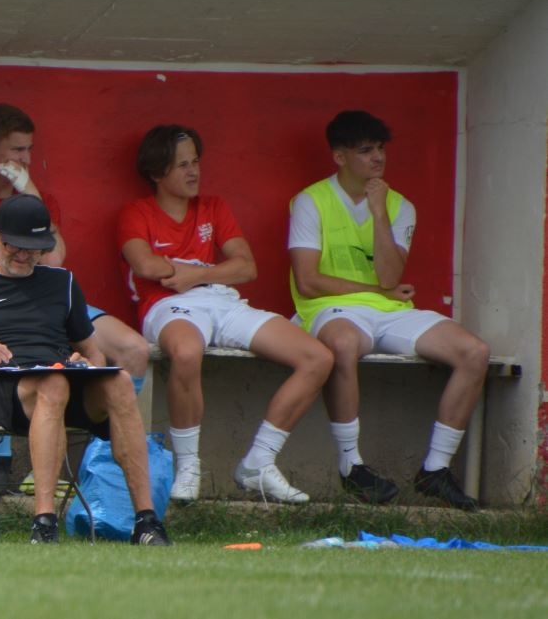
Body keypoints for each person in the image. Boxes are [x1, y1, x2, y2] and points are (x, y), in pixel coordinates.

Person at [0, 194, 170, 545]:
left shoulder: (62, 283)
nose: (24, 255)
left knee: (120, 381)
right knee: (54, 383)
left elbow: (93, 352)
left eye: (34, 248)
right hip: (0, 389)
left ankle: (146, 521)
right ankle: (44, 522)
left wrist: (87, 365)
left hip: (61, 381)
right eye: (15, 245)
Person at [0, 103, 151, 493]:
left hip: (51, 297)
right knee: (12, 351)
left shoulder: (42, 200)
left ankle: (97, 458)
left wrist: (30, 193)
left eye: (29, 150)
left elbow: (53, 259)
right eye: (17, 149)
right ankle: (11, 461)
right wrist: (13, 262)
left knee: (135, 348)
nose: (25, 159)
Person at [119, 124, 331, 504]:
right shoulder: (137, 212)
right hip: (167, 305)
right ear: (156, 172)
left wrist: (195, 274)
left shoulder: (213, 207)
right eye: (182, 165)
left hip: (220, 299)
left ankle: (258, 463)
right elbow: (145, 265)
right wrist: (204, 271)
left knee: (317, 357)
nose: (193, 172)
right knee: (186, 352)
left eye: (195, 162)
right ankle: (188, 467)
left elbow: (247, 267)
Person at [288, 110, 490, 510]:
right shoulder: (310, 201)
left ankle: (435, 469)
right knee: (343, 344)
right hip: (331, 309)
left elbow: (390, 276)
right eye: (366, 150)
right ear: (340, 156)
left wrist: (378, 212)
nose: (378, 158)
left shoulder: (399, 206)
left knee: (475, 352)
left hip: (390, 309)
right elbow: (308, 281)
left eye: (380, 148)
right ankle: (351, 465)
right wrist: (377, 290)